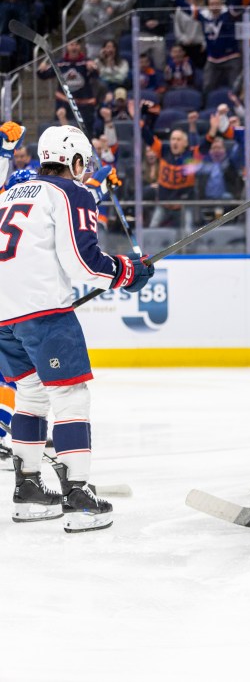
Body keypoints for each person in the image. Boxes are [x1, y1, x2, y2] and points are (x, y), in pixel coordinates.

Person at [0, 123, 153, 532]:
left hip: (3, 315)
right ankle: (78, 497)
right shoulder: (73, 192)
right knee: (70, 396)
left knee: (30, 394)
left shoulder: (11, 192)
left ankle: (29, 491)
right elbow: (83, 262)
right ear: (76, 161)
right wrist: (127, 273)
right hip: (43, 313)